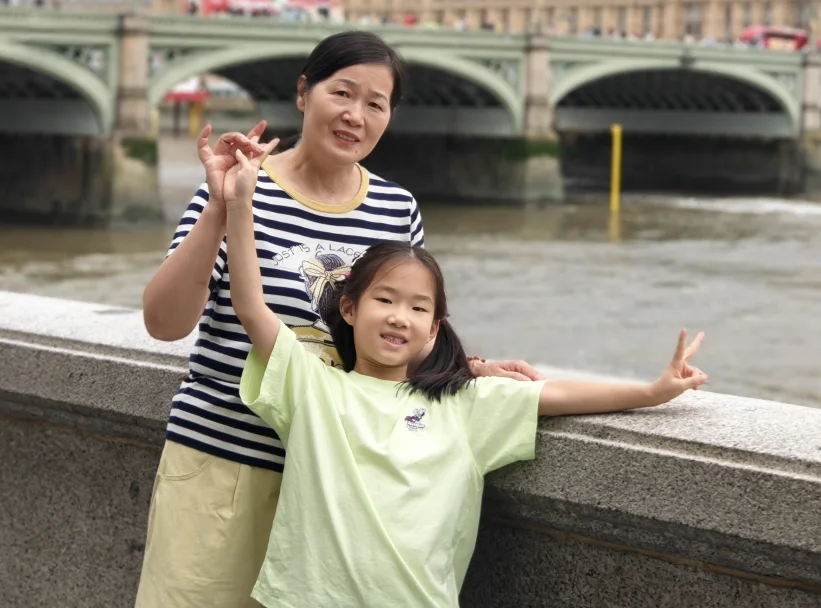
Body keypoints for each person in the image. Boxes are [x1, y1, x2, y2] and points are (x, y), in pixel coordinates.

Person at [135, 30, 539, 608]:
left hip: (340, 488)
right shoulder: (241, 185)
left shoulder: (396, 210)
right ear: (304, 93)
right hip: (228, 464)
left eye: (375, 104)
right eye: (341, 93)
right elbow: (166, 323)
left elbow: (404, 333)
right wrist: (222, 207)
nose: (355, 115)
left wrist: (468, 368)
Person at [223, 151, 709, 607]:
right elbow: (250, 305)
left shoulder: (461, 403)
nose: (399, 317)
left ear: (434, 328)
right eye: (385, 300)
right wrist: (240, 202)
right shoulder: (314, 388)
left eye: (418, 308)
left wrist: (652, 392)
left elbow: (553, 393)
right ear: (348, 309)